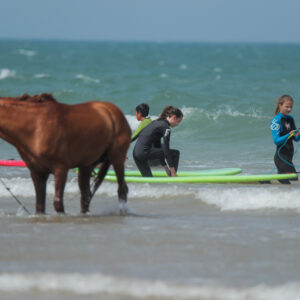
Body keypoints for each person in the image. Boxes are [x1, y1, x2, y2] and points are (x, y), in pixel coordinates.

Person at [133, 106, 183, 177]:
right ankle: (173, 176)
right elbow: (166, 150)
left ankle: (170, 175)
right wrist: (172, 171)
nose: (177, 125)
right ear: (174, 117)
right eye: (178, 122)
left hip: (136, 154)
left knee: (149, 180)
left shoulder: (157, 123)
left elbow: (158, 147)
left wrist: (165, 167)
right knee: (175, 153)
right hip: (144, 152)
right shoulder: (166, 128)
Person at [270, 94, 300, 183]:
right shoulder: (276, 120)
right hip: (281, 157)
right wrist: (288, 135)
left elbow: (296, 139)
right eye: (287, 107)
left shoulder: (291, 119)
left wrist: (298, 134)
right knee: (290, 182)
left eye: (291, 107)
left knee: (294, 180)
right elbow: (276, 141)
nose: (289, 109)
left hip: (288, 158)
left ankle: (269, 184)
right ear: (280, 105)